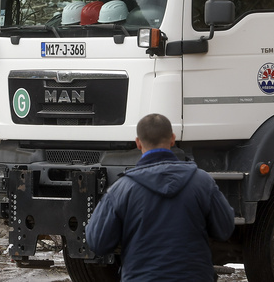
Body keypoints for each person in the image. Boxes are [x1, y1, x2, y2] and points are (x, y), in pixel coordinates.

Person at [86, 113, 234, 281]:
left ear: (138, 143)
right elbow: (225, 229)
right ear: (172, 139)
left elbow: (98, 242)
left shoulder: (122, 189)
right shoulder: (202, 182)